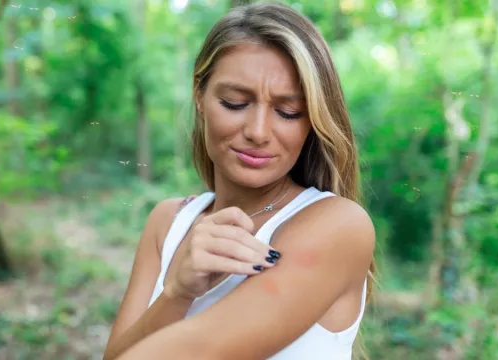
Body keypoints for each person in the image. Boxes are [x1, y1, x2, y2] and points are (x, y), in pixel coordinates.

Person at [103, 2, 376, 359]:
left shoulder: (339, 225)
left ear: (313, 120)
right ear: (199, 95)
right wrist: (178, 293)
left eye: (288, 112)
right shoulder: (167, 223)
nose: (258, 132)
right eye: (234, 102)